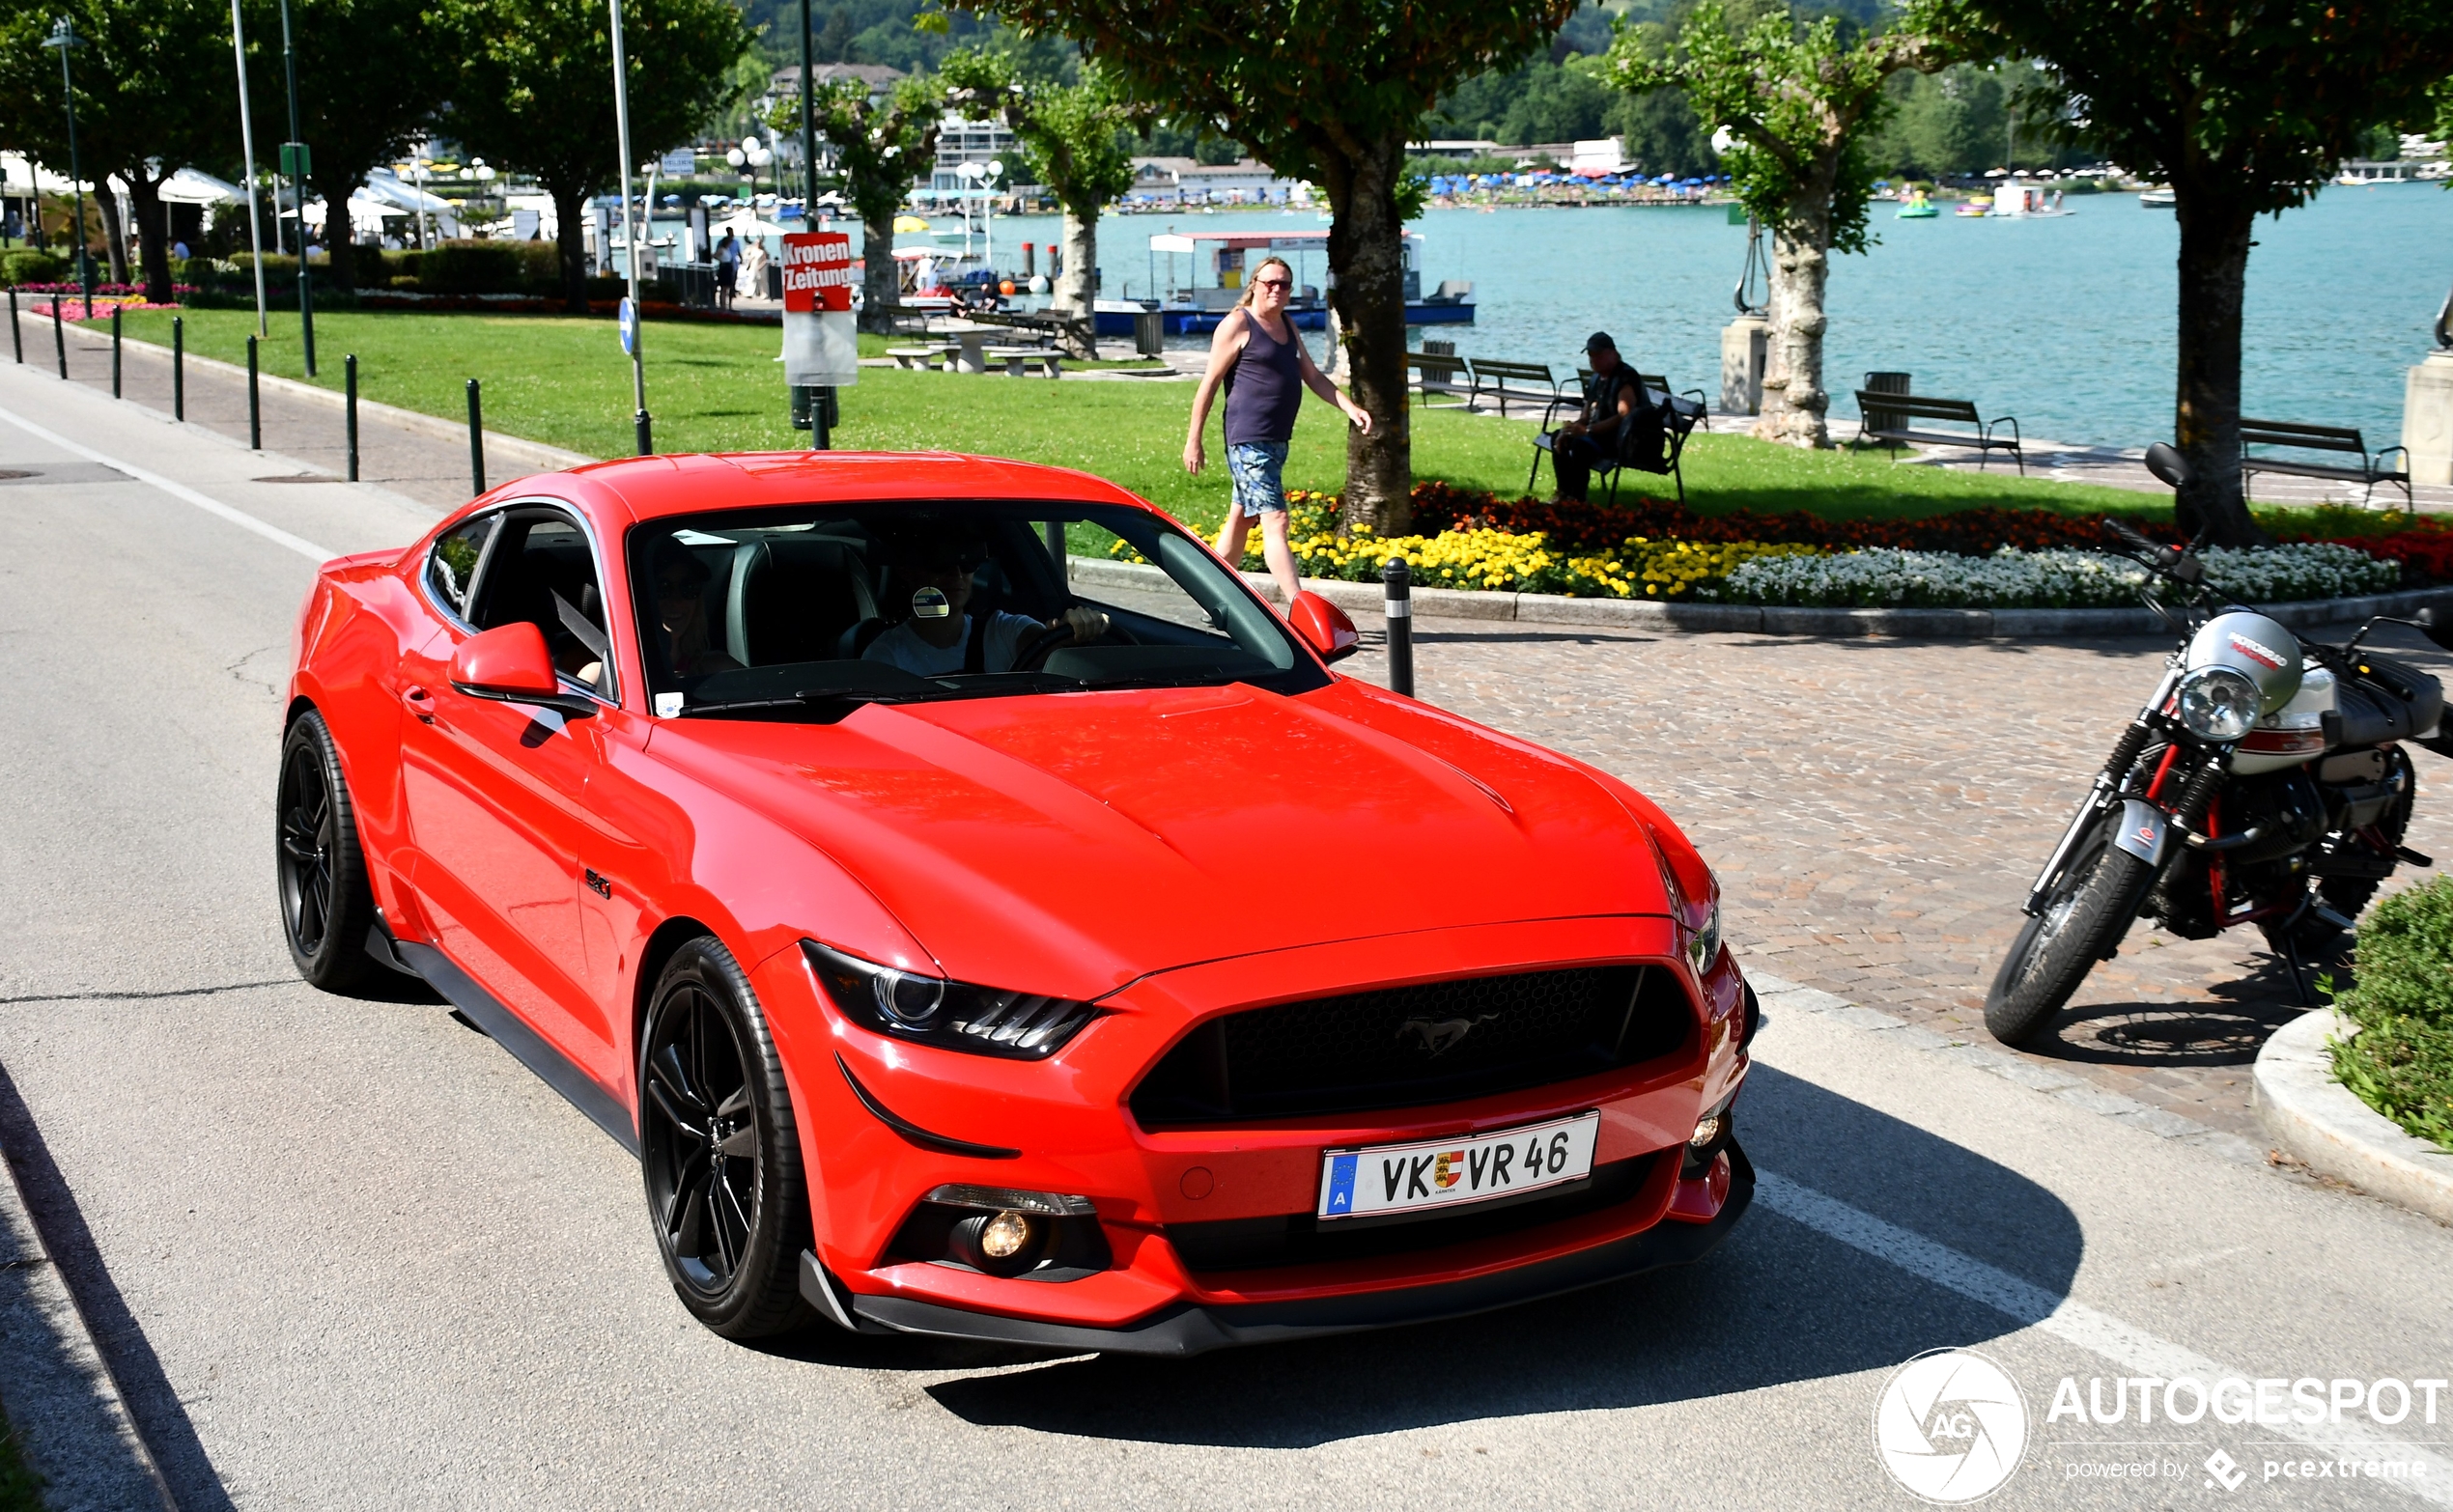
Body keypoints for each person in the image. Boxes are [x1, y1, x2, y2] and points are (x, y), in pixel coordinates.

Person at [1182, 254, 1372, 603]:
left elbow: (1312, 375)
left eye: (1283, 284)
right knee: (1276, 520)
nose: (1276, 289)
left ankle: (1212, 598)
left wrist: (1350, 407)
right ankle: (1300, 609)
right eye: (1269, 282)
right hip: (1247, 439)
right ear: (1254, 285)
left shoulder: (1287, 324)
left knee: (1241, 519)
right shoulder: (1238, 324)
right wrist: (1194, 441)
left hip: (1276, 439)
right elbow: (1208, 384)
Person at [862, 534, 1107, 677]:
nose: (956, 574)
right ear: (908, 572)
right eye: (941, 564)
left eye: (968, 563)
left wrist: (1070, 631)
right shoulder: (886, 656)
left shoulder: (1002, 630)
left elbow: (1042, 646)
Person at [1544, 330, 1658, 503]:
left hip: (1624, 440)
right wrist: (1572, 428)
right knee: (1558, 437)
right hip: (1600, 436)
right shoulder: (1597, 378)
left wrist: (1588, 431)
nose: (1593, 360)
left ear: (1613, 354)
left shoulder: (1625, 377)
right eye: (1590, 355)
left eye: (1598, 355)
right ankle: (1563, 492)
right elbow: (1587, 410)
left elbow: (1623, 415)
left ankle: (1577, 498)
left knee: (1580, 445)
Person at [715, 231, 739, 311]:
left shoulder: (727, 249)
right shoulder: (722, 249)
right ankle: (723, 305)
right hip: (724, 268)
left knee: (729, 287)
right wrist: (721, 260)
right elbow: (715, 255)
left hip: (729, 267)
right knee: (724, 288)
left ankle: (728, 305)